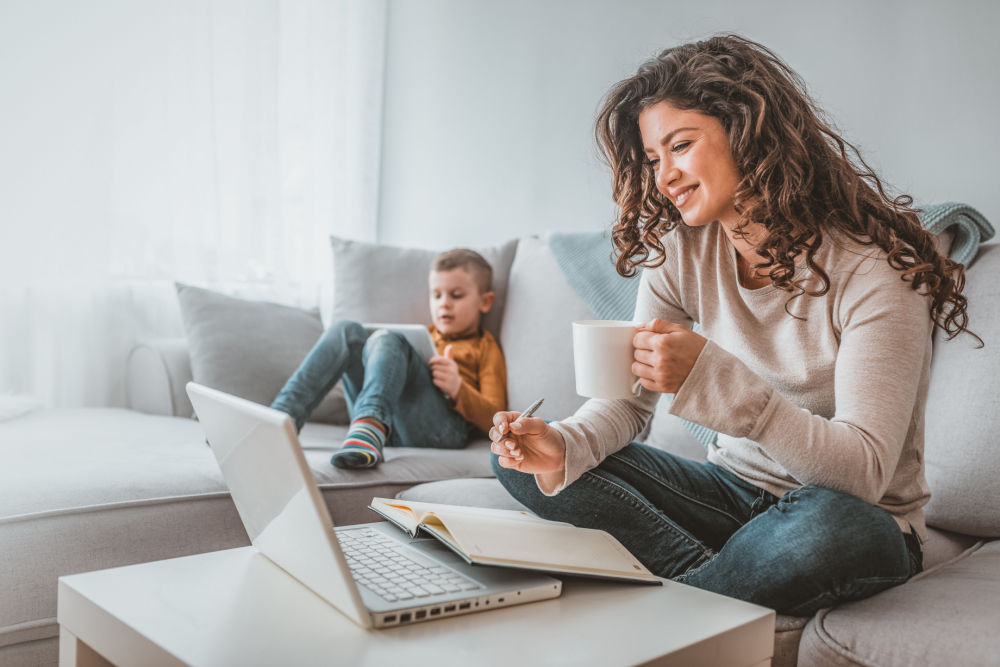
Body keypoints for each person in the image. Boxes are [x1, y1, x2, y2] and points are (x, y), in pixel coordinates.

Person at [489, 34, 980, 615]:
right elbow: (627, 404)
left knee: (833, 527)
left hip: (849, 514)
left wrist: (714, 379)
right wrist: (563, 444)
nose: (665, 176)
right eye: (653, 158)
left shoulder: (874, 269)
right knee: (521, 462)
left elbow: (863, 474)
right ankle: (709, 589)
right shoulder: (680, 250)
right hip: (728, 494)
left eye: (681, 146)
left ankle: (677, 608)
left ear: (749, 134)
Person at [272, 248, 506, 469]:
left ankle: (370, 424)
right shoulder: (422, 336)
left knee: (389, 339)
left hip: (442, 431)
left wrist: (458, 389)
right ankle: (280, 419)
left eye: (456, 295)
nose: (444, 303)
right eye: (436, 295)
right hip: (390, 425)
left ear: (485, 301)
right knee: (346, 330)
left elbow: (496, 419)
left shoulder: (485, 347)